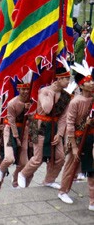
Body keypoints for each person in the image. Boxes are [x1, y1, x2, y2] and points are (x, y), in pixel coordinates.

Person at [18, 63, 73, 189]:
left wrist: (59, 134)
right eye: (66, 79)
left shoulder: (66, 96)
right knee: (38, 158)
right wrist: (52, 93)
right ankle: (23, 174)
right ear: (59, 79)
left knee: (60, 157)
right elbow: (47, 109)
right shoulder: (44, 91)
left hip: (54, 127)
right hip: (39, 125)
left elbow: (64, 117)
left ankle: (49, 180)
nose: (68, 82)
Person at [57, 62, 94, 210]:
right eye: (89, 81)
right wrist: (73, 146)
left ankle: (92, 201)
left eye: (92, 80)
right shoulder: (76, 102)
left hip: (90, 137)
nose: (92, 83)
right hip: (78, 138)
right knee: (71, 165)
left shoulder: (92, 100)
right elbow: (70, 124)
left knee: (91, 168)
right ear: (82, 84)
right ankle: (63, 191)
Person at [0, 77, 31, 188]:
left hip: (24, 131)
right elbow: (11, 121)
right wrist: (16, 137)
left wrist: (29, 111)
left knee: (24, 162)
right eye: (22, 89)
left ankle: (15, 182)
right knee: (9, 158)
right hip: (11, 130)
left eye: (27, 89)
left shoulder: (31, 102)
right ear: (18, 89)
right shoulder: (12, 103)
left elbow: (34, 118)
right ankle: (1, 169)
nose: (25, 92)